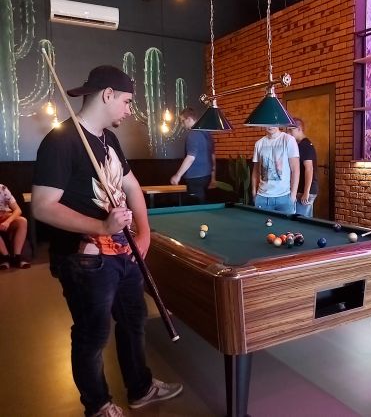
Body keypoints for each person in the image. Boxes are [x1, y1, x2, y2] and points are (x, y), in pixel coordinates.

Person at [31, 65, 182, 417]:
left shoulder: (108, 140)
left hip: (122, 252)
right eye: (127, 101)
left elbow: (132, 186)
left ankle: (140, 388)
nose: (129, 110)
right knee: (93, 334)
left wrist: (144, 234)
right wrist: (101, 226)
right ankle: (97, 406)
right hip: (84, 260)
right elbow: (42, 206)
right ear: (108, 94)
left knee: (134, 320)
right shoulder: (61, 140)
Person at [169, 107, 216, 204]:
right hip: (207, 177)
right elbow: (212, 157)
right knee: (202, 205)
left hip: (195, 178)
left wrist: (178, 175)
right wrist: (213, 177)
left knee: (196, 206)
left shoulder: (192, 134)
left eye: (182, 121)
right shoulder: (207, 134)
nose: (182, 125)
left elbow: (190, 158)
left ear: (189, 119)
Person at [251, 125, 300, 214]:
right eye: (267, 123)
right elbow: (255, 171)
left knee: (285, 224)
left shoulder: (289, 140)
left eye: (273, 123)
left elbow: (295, 170)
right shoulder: (259, 143)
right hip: (262, 197)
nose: (270, 126)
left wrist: (293, 196)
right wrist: (254, 193)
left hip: (284, 197)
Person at [288, 118, 319, 217]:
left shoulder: (305, 145)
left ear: (299, 129)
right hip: (301, 189)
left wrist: (306, 192)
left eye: (291, 130)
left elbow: (309, 169)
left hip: (306, 190)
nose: (289, 133)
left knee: (302, 220)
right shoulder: (299, 145)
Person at [0, 184, 30, 269]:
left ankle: (17, 256)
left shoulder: (2, 188)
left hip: (5, 216)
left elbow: (18, 210)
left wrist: (7, 222)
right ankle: (5, 257)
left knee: (22, 221)